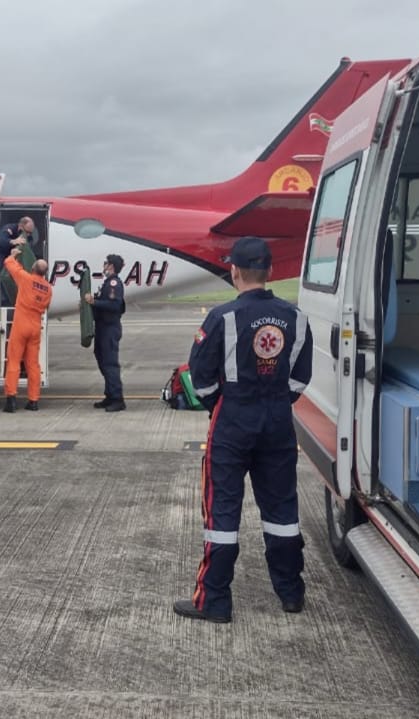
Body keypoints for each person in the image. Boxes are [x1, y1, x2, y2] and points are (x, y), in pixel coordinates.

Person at [173, 235, 313, 623]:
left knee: (222, 512)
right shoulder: (296, 317)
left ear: (234, 271)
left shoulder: (222, 318)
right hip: (278, 422)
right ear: (269, 272)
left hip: (233, 420)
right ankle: (291, 593)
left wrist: (222, 402)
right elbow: (301, 377)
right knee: (282, 509)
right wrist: (275, 401)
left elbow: (199, 379)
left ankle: (214, 600)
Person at [2, 245, 53, 412]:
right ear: (45, 273)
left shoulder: (25, 279)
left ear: (33, 268)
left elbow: (9, 264)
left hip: (21, 325)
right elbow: (46, 306)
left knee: (14, 362)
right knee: (33, 365)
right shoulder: (48, 289)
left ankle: (11, 399)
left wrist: (13, 254)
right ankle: (33, 401)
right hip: (35, 327)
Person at [85, 254, 126, 411]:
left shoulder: (114, 283)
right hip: (102, 327)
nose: (104, 266)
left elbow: (114, 305)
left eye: (106, 264)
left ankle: (117, 398)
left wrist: (94, 302)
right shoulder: (107, 283)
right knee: (102, 360)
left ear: (111, 266)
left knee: (110, 364)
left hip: (109, 328)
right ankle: (110, 395)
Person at [0, 216, 41, 305]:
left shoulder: (28, 237)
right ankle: (6, 301)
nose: (28, 235)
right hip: (5, 263)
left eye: (30, 233)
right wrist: (13, 241)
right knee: (6, 282)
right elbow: (1, 241)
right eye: (27, 232)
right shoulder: (9, 229)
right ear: (21, 226)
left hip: (17, 266)